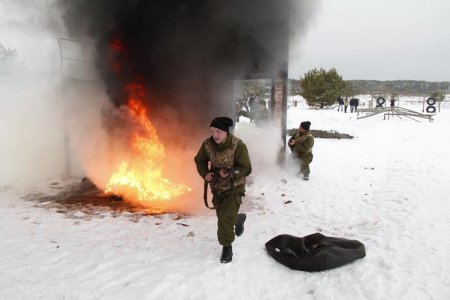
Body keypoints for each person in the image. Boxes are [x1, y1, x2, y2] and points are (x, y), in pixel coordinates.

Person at [194, 117, 252, 263]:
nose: (215, 135)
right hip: (217, 188)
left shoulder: (238, 145)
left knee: (225, 219)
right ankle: (238, 219)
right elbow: (199, 160)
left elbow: (246, 168)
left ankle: (227, 247)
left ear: (226, 132)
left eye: (218, 131)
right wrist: (205, 174)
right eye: (212, 131)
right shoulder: (207, 144)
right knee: (223, 217)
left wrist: (231, 172)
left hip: (234, 188)